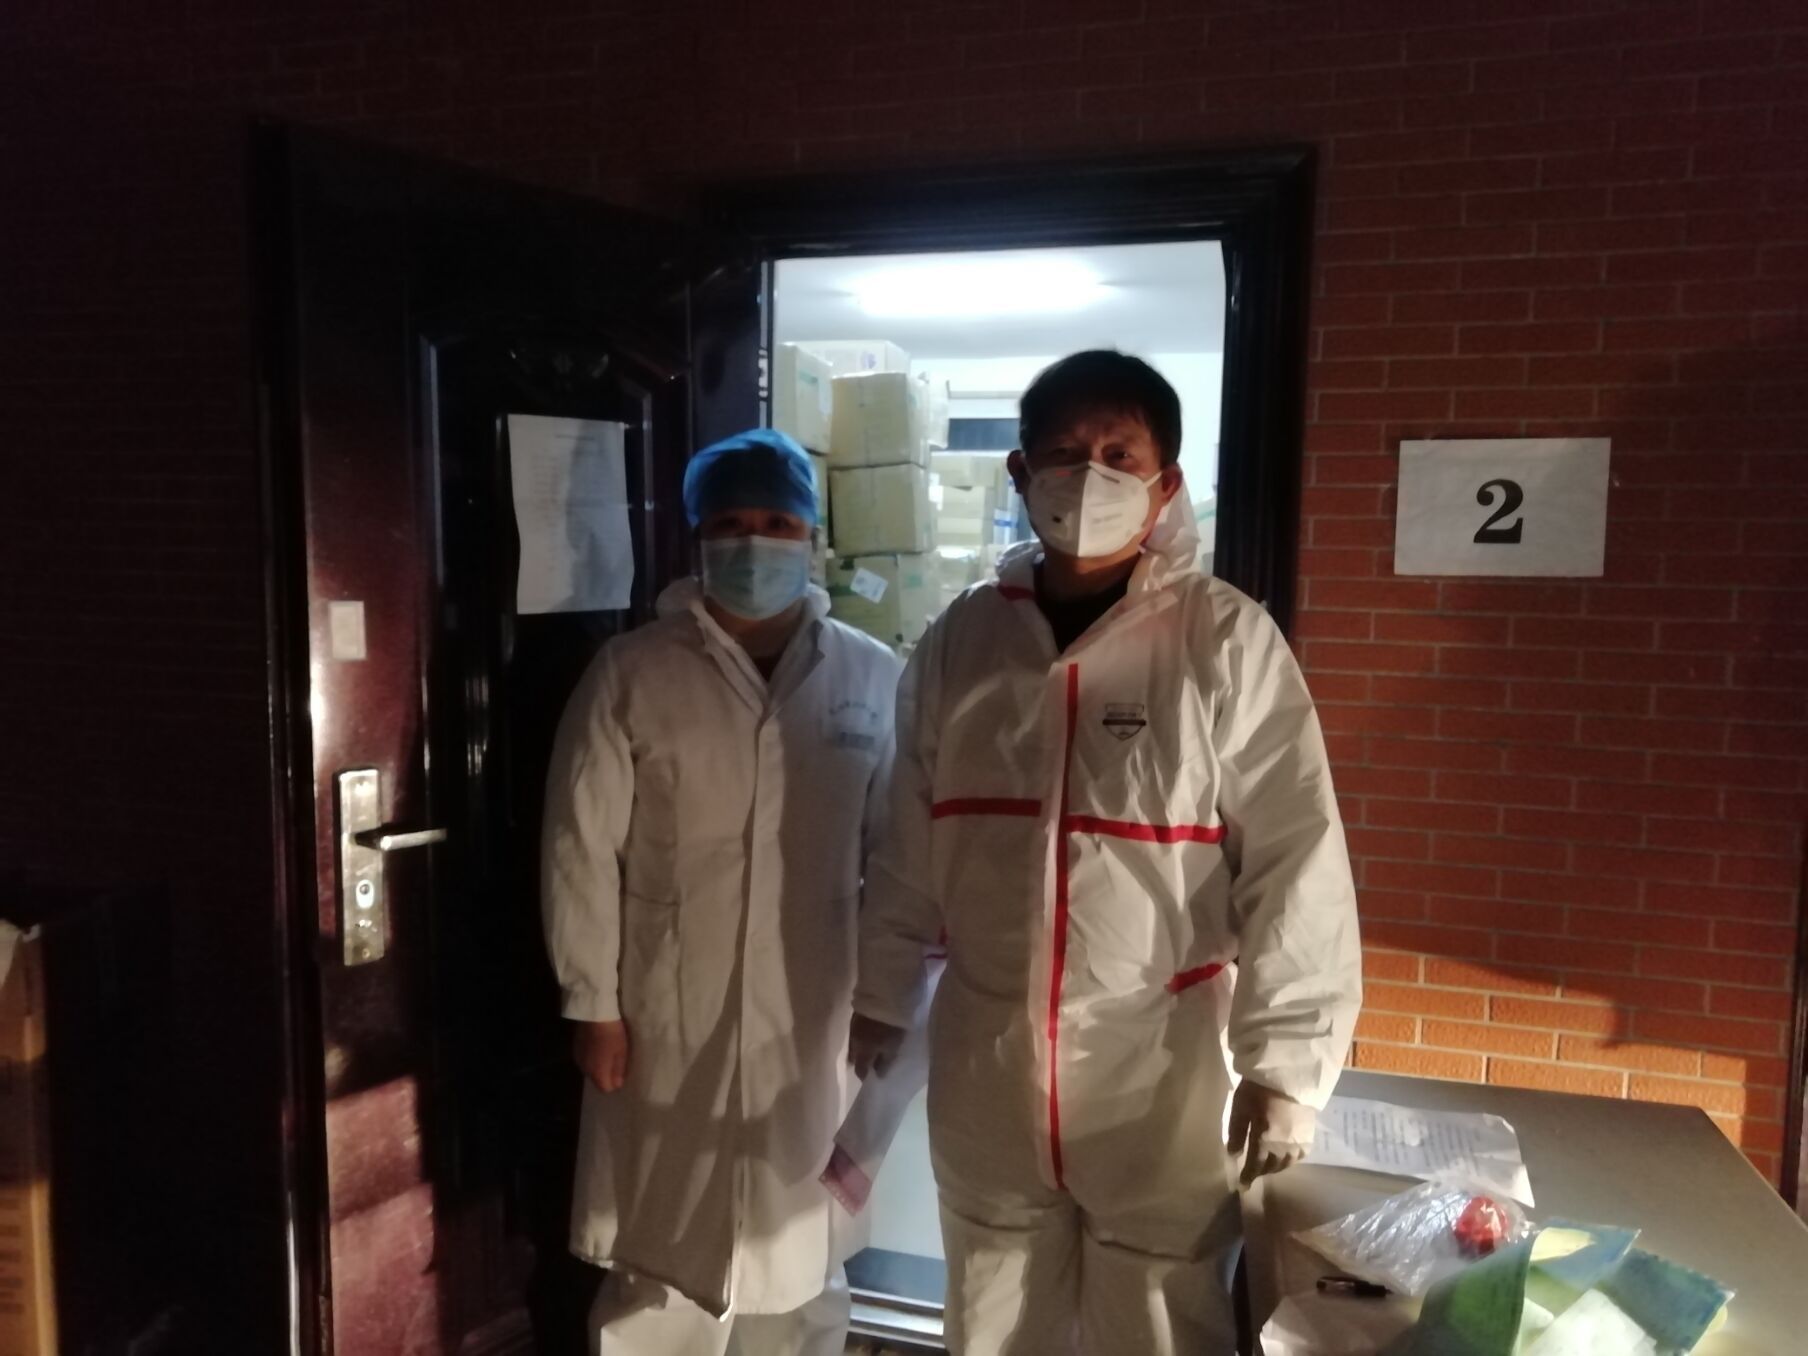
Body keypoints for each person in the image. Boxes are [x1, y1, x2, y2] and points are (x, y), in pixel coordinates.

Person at [850, 351, 1361, 1354]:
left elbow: (1297, 857)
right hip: (990, 1050)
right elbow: (904, 831)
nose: (1087, 476)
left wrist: (1287, 1065)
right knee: (992, 1310)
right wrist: (880, 987)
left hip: (1160, 1062)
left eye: (1118, 454)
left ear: (1164, 483)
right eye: (1062, 451)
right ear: (1018, 472)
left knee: (1158, 1318)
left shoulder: (1222, 639)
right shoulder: (961, 642)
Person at [543, 428, 902, 1356]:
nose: (755, 541)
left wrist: (888, 994)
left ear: (811, 535)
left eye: (777, 522)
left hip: (818, 1004)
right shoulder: (632, 672)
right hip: (664, 1002)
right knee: (659, 1247)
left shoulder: (871, 675)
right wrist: (592, 1001)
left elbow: (901, 854)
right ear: (697, 536)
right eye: (731, 522)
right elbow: (580, 846)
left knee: (803, 1245)